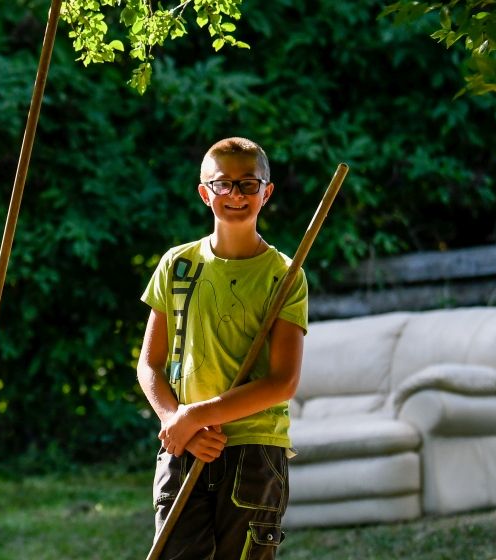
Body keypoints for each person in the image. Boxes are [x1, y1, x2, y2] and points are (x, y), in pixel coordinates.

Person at [138, 137, 308, 559]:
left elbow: (282, 382)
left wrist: (196, 416)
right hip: (183, 446)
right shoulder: (177, 265)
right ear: (204, 193)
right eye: (222, 184)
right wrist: (177, 423)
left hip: (254, 448)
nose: (235, 194)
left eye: (248, 184)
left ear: (266, 192)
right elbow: (149, 365)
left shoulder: (285, 276)